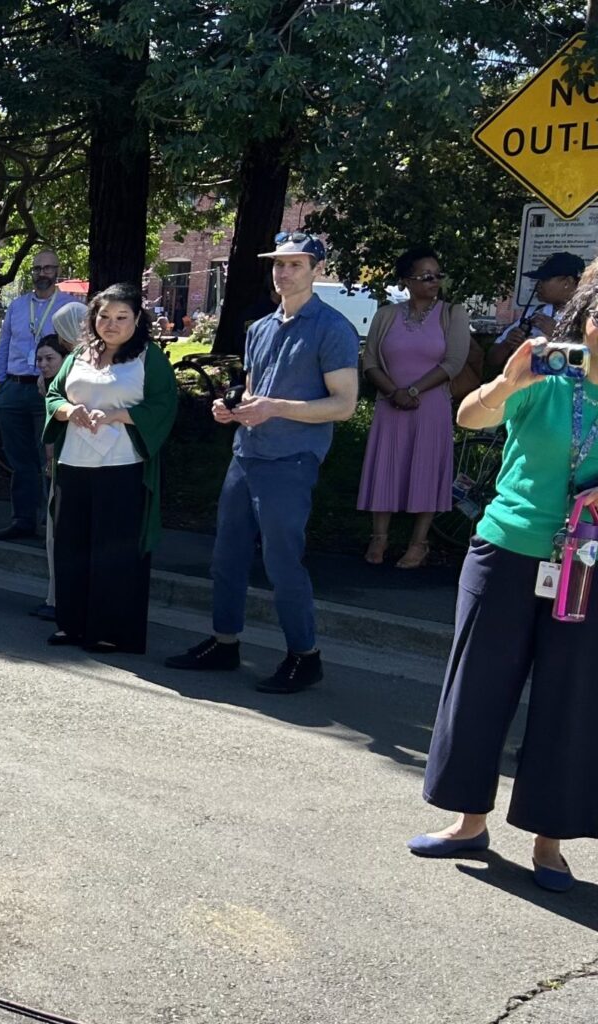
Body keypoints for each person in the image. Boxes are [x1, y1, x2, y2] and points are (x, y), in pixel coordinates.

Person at [407, 267, 598, 894]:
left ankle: (550, 842)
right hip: (506, 548)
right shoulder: (546, 377)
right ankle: (469, 822)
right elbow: (469, 417)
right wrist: (506, 381)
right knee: (478, 687)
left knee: (570, 700)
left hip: (586, 566)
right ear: (587, 316)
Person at [166, 234, 360, 692]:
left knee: (282, 562)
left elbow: (344, 405)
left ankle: (304, 655)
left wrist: (275, 407)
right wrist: (232, 408)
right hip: (246, 454)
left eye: (295, 264)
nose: (284, 272)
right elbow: (253, 394)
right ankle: (224, 641)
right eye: (279, 264)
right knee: (226, 557)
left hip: (291, 460)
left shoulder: (332, 328)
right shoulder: (260, 328)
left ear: (316, 269)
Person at [41, 283, 176, 653]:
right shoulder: (79, 355)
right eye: (104, 316)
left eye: (121, 317)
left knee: (112, 550)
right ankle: (71, 624)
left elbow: (165, 405)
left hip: (122, 468)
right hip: (74, 463)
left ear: (137, 320)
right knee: (71, 546)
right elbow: (54, 395)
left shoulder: (148, 358)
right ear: (93, 318)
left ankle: (109, 630)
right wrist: (70, 411)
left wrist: (119, 415)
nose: (111, 324)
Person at [357, 247, 470, 569]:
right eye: (426, 276)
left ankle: (418, 543)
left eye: (438, 275)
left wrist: (415, 390)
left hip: (430, 406)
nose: (435, 281)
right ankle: (379, 537)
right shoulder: (386, 315)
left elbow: (454, 362)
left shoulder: (453, 313)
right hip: (389, 404)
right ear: (407, 280)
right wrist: (394, 392)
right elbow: (370, 361)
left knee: (426, 468)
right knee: (386, 466)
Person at [0, 250, 83, 540]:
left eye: (48, 268)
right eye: (37, 269)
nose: (42, 273)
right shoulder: (17, 306)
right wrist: (1, 381)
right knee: (20, 460)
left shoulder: (70, 306)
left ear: (58, 271)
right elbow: (4, 341)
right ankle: (23, 520)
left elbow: (78, 348)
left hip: (52, 392)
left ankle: (55, 523)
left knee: (52, 460)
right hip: (14, 388)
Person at [30, 304, 87, 623]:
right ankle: (55, 596)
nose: (43, 364)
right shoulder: (57, 378)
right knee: (54, 534)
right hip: (64, 460)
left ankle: (61, 600)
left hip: (73, 461)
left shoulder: (78, 372)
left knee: (61, 532)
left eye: (50, 358)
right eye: (40, 359)